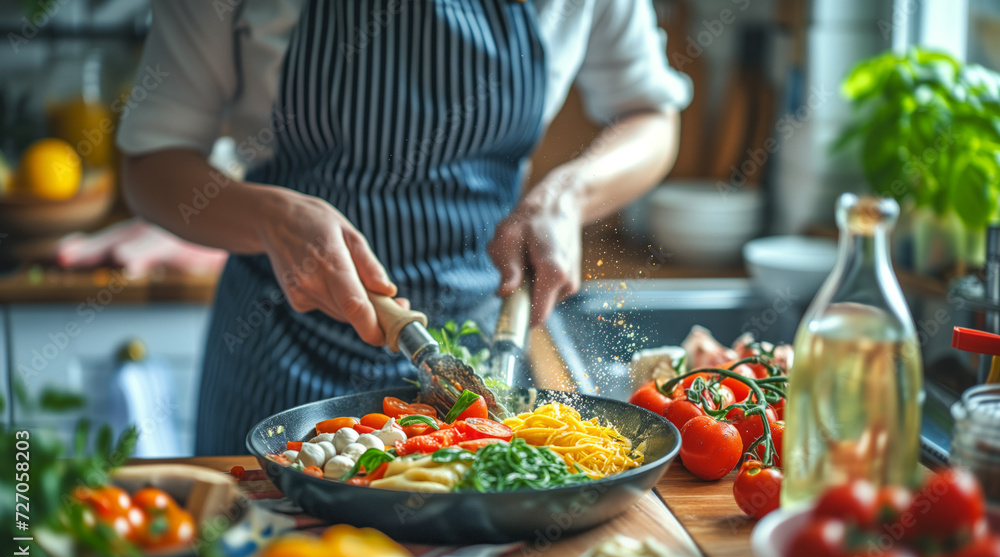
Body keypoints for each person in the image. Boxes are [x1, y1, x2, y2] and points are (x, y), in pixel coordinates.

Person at [118, 0, 691, 455]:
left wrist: (570, 195)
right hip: (276, 344)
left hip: (475, 347)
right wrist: (270, 218)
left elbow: (651, 115)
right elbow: (149, 164)